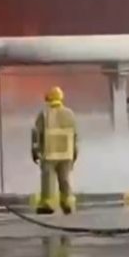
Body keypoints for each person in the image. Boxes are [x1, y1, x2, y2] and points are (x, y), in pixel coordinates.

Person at [31, 86, 78, 215]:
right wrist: (74, 154)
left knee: (48, 181)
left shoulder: (44, 114)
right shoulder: (70, 114)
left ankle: (48, 204)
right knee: (65, 180)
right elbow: (75, 136)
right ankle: (68, 203)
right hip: (66, 154)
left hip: (49, 154)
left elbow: (36, 134)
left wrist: (35, 151)